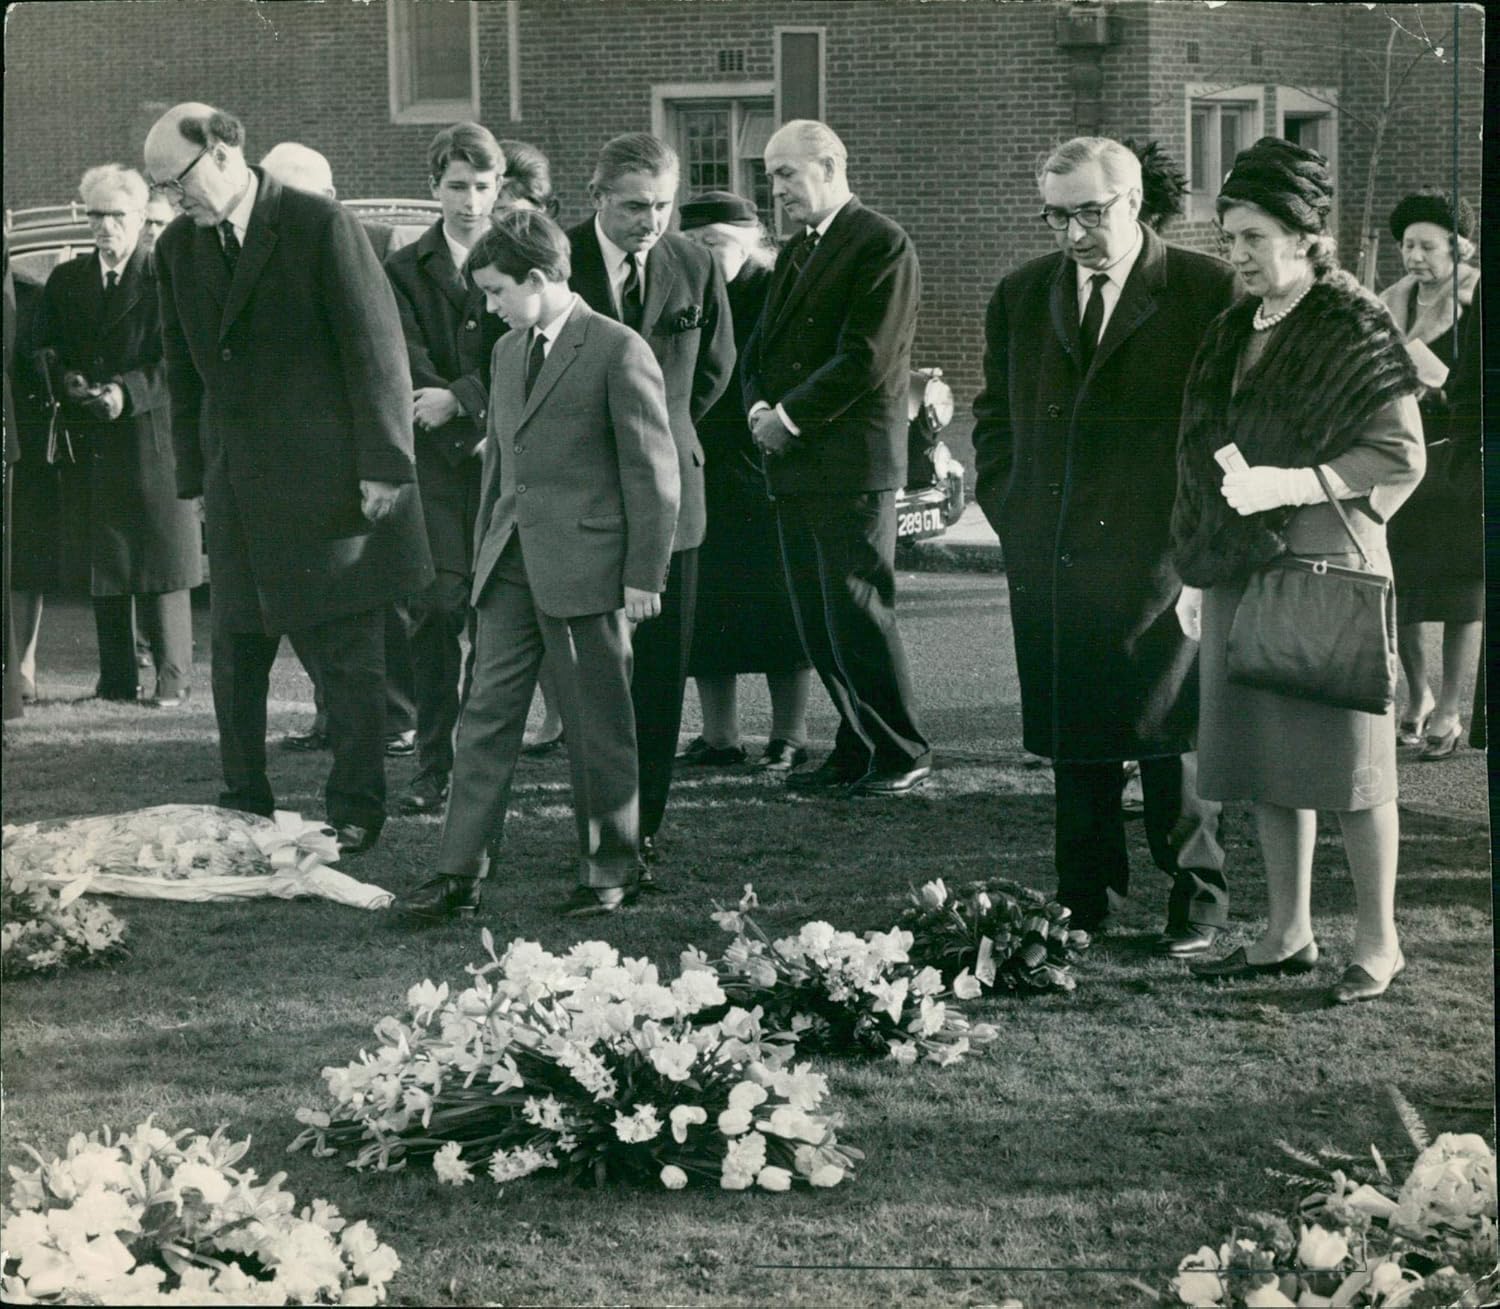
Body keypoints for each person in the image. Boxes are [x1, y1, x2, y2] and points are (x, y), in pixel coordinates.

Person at [1173, 137, 1425, 1004]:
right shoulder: (1232, 327)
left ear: (1302, 236)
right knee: (1264, 758)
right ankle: (1286, 933)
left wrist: (1295, 481)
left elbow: (1398, 450)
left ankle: (1380, 943)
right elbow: (1200, 452)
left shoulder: (1353, 322)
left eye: (1249, 237)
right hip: (1241, 561)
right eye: (1228, 237)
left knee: (1350, 767)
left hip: (1325, 560)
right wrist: (1195, 570)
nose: (1234, 255)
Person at [147, 103, 433, 856]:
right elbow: (183, 371)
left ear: (220, 151)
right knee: (238, 655)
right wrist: (194, 478)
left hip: (332, 487)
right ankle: (244, 801)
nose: (170, 203)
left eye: (174, 183)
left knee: (348, 659)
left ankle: (357, 806)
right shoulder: (178, 248)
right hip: (236, 486)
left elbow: (377, 352)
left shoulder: (316, 225)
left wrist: (383, 467)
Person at [971, 136, 1235, 952]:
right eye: (1057, 216)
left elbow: (1221, 423)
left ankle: (1196, 896)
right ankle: (1080, 897)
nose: (1074, 233)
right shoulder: (1021, 293)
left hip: (1157, 552)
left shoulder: (1202, 289)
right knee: (1072, 731)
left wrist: (1196, 541)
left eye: (1090, 212)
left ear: (1134, 204)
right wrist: (1010, 506)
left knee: (1170, 733)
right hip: (1051, 551)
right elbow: (993, 414)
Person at [400, 209, 679, 923]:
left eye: (496, 292)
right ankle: (458, 872)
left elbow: (652, 472)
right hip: (509, 566)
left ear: (539, 277)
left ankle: (611, 869)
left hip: (589, 569)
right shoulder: (505, 352)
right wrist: (480, 553)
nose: (489, 307)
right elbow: (499, 466)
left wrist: (644, 574)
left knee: (596, 724)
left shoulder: (618, 349)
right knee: (484, 717)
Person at [741, 119, 931, 798]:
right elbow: (758, 350)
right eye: (770, 177)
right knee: (819, 621)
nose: (776, 189)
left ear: (830, 164)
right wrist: (759, 409)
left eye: (786, 173)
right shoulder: (797, 251)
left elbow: (869, 358)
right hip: (797, 464)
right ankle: (858, 745)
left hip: (850, 464)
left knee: (856, 613)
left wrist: (787, 417)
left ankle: (902, 750)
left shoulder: (881, 243)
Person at [567, 132, 734, 865]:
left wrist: (661, 437)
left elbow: (717, 369)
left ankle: (646, 824)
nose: (651, 221)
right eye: (635, 206)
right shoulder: (558, 259)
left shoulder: (693, 263)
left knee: (662, 670)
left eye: (663, 205)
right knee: (590, 673)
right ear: (597, 196)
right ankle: (597, 820)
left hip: (673, 496)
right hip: (582, 493)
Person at [257, 140, 418, 761]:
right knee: (306, 598)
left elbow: (381, 355)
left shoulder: (367, 245)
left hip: (359, 453)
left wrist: (380, 461)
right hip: (288, 460)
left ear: (328, 198)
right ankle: (334, 715)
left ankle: (396, 718)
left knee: (373, 597)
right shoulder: (259, 257)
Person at [36, 163, 203, 707]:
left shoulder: (166, 277)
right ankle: (116, 680)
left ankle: (172, 680)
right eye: (96, 216)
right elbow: (46, 346)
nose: (106, 227)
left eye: (117, 216)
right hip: (93, 442)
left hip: (152, 439)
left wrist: (126, 392)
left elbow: (180, 361)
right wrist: (68, 379)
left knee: (162, 563)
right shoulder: (67, 280)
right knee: (106, 562)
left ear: (141, 219)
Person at [382, 123, 507, 816]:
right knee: (433, 612)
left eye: (482, 186)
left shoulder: (521, 253)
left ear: (501, 188)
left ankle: (485, 762)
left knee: (498, 619)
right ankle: (433, 763)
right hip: (432, 469)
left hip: (504, 460)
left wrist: (465, 402)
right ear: (434, 186)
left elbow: (530, 342)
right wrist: (445, 410)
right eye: (456, 186)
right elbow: (402, 361)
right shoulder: (402, 268)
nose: (469, 200)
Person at [676, 190, 812, 771]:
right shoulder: (682, 293)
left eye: (718, 243)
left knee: (779, 608)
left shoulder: (778, 289)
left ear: (751, 239)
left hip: (764, 466)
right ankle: (720, 735)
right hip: (701, 466)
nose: (708, 255)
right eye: (696, 245)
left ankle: (790, 734)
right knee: (703, 608)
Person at [1378, 190, 1482, 762]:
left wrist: (1443, 385)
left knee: (1464, 590)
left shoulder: (1478, 300)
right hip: (1401, 462)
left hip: (1459, 458)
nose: (1414, 256)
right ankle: (1415, 699)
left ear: (1457, 247)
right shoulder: (1390, 302)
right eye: (1407, 245)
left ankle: (1449, 708)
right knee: (1405, 588)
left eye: (1427, 245)